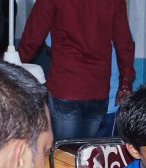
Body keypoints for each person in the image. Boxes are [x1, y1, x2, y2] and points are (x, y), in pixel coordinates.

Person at [18, 0, 135, 141]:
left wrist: (13, 71)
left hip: (66, 86)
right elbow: (124, 42)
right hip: (98, 88)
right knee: (86, 154)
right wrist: (125, 83)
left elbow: (33, 35)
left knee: (65, 155)